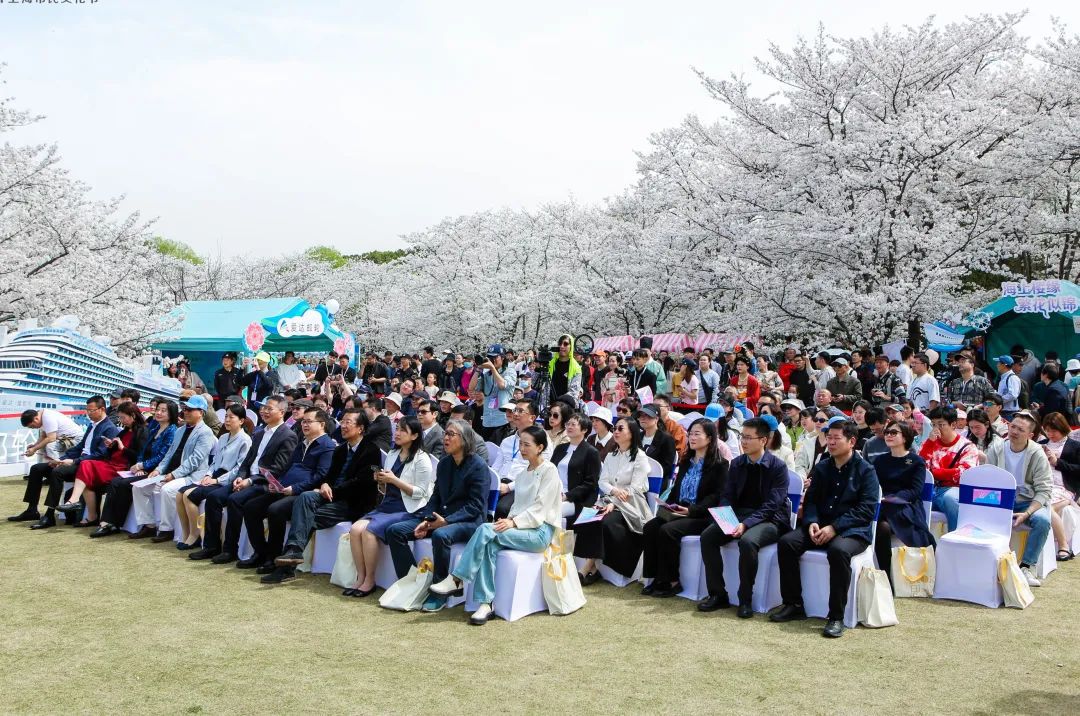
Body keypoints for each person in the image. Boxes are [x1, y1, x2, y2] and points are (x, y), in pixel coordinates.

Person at [427, 425, 559, 624]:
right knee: (489, 542)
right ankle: (485, 603)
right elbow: (518, 506)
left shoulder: (549, 471)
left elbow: (540, 508)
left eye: (527, 445)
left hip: (540, 532)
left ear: (540, 447)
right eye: (520, 444)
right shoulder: (523, 474)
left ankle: (457, 579)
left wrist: (513, 522)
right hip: (521, 528)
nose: (522, 448)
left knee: (485, 529)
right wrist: (509, 521)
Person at [770, 419, 880, 638]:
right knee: (787, 543)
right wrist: (811, 521)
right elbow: (810, 501)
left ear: (852, 441)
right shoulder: (822, 467)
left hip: (852, 531)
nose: (830, 442)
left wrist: (834, 527)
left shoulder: (866, 471)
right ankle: (793, 604)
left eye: (836, 438)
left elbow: (865, 511)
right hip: (820, 526)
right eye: (828, 437)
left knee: (838, 551)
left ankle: (836, 616)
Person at [261, 409, 383, 583]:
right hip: (332, 496)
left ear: (361, 428)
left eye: (349, 422)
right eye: (343, 421)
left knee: (303, 516)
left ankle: (286, 567)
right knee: (305, 498)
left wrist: (331, 489)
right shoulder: (340, 450)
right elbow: (329, 476)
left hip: (353, 503)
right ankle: (292, 553)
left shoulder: (371, 450)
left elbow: (361, 483)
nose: (343, 425)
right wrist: (325, 484)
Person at [385, 419, 488, 612]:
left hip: (469, 522)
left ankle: (439, 591)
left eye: (450, 434)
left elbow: (476, 506)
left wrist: (446, 521)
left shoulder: (478, 466)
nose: (445, 438)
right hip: (442, 517)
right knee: (395, 531)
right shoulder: (444, 463)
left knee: (442, 535)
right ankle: (413, 583)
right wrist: (427, 519)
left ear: (464, 439)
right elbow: (436, 496)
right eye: (445, 434)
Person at [698, 417, 791, 616]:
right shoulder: (738, 463)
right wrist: (725, 518)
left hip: (770, 520)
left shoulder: (778, 467)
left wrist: (746, 524)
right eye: (742, 437)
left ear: (764, 440)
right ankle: (717, 594)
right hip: (739, 516)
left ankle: (745, 599)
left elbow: (772, 505)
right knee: (708, 536)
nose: (743, 442)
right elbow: (727, 495)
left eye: (749, 438)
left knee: (748, 542)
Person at [186, 395, 298, 561]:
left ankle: (231, 550)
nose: (264, 411)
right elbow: (247, 462)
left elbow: (278, 468)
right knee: (213, 497)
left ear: (282, 412)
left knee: (235, 500)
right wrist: (240, 477)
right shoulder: (259, 433)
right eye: (264, 408)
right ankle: (211, 546)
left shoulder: (287, 435)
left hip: (264, 484)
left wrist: (251, 480)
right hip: (246, 480)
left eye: (269, 408)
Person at [228, 407, 336, 569]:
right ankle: (260, 553)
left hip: (301, 493)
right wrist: (275, 482)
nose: (304, 425)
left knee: (275, 510)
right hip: (284, 488)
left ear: (321, 424)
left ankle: (273, 558)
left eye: (308, 422)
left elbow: (320, 476)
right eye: (303, 422)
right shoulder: (302, 444)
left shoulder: (327, 446)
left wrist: (294, 488)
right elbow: (287, 468)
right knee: (251, 507)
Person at [340, 416, 435, 597]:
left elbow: (421, 493)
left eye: (402, 431)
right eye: (397, 429)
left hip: (408, 509)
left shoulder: (422, 459)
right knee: (355, 529)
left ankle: (370, 580)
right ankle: (361, 577)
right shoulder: (392, 454)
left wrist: (394, 480)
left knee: (369, 532)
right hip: (387, 505)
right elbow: (386, 488)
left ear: (414, 436)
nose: (397, 433)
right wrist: (382, 481)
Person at [642, 419, 729, 597]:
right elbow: (676, 488)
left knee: (668, 530)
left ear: (710, 438)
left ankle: (672, 581)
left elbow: (716, 496)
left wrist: (692, 511)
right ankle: (653, 578)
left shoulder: (720, 465)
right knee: (650, 527)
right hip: (680, 510)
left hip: (701, 515)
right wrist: (669, 505)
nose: (692, 437)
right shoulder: (686, 461)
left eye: (697, 433)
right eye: (690, 433)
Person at [18, 396, 119, 530]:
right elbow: (80, 447)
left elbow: (100, 455)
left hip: (87, 465)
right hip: (79, 460)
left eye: (91, 410)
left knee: (57, 472)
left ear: (101, 409)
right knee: (37, 469)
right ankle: (32, 509)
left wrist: (73, 461)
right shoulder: (92, 426)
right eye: (87, 410)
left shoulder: (109, 428)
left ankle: (49, 514)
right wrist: (61, 459)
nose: (88, 413)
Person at [574, 417, 652, 582]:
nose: (615, 431)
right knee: (589, 517)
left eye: (620, 429)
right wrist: (614, 494)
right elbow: (602, 482)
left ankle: (588, 567)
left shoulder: (640, 457)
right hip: (610, 499)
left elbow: (636, 488)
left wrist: (614, 503)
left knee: (605, 521)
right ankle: (593, 567)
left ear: (631, 433)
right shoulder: (611, 455)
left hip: (632, 504)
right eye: (615, 428)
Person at [129, 395, 216, 542]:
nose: (186, 412)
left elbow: (194, 461)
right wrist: (158, 469)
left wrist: (174, 475)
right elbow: (169, 454)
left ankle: (166, 529)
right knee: (139, 488)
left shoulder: (205, 432)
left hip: (192, 476)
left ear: (201, 412)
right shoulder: (180, 430)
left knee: (167, 489)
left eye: (190, 409)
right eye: (185, 409)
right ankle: (149, 525)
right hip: (171, 472)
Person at [87, 401, 180, 538]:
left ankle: (115, 523)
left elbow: (162, 456)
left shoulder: (172, 431)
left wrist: (142, 466)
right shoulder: (154, 429)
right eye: (158, 409)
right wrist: (138, 465)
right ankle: (106, 522)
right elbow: (143, 451)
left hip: (157, 470)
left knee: (124, 484)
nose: (158, 413)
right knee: (115, 482)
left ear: (171, 413)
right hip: (145, 468)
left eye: (163, 410)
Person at [984, 411, 1053, 587]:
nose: (1014, 431)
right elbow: (987, 478)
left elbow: (1044, 490)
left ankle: (1027, 566)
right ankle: (988, 562)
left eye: (1020, 430)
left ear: (1030, 435)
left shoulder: (1037, 453)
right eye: (1012, 426)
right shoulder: (996, 448)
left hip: (1028, 500)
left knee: (1043, 521)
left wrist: (1027, 513)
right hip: (1000, 498)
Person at [54, 403, 148, 527]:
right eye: (119, 417)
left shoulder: (142, 432)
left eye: (123, 417)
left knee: (86, 466)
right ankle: (81, 505)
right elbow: (113, 452)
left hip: (123, 467)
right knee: (86, 470)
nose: (121, 421)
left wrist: (122, 448)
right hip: (111, 464)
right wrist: (111, 446)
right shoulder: (124, 432)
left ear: (133, 416)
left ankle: (80, 505)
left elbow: (138, 456)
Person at [172, 404, 252, 548]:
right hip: (214, 475)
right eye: (226, 417)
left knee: (188, 496)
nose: (227, 420)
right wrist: (208, 475)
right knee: (179, 494)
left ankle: (195, 535)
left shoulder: (245, 440)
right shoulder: (222, 437)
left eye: (231, 417)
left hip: (227, 480)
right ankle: (186, 534)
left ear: (241, 420)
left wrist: (216, 479)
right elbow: (214, 461)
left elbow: (239, 468)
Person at [871, 420, 935, 588]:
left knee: (882, 524)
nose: (889, 435)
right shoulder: (880, 461)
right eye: (887, 432)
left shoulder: (916, 462)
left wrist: (891, 498)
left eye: (894, 432)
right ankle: (881, 575)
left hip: (906, 507)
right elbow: (872, 485)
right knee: (878, 524)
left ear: (905, 436)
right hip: (882, 506)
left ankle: (887, 578)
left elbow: (914, 491)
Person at [918, 406, 978, 532]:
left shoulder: (967, 447)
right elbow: (920, 467)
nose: (936, 429)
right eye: (933, 424)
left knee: (950, 499)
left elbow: (963, 473)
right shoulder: (928, 443)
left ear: (953, 425)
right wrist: (929, 443)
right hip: (931, 488)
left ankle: (956, 537)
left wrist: (934, 473)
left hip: (954, 489)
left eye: (941, 424)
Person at [495, 399, 554, 519]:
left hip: (521, 486)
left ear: (532, 418)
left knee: (502, 509)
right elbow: (495, 467)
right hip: (499, 485)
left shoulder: (542, 440)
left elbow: (539, 472)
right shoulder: (507, 441)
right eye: (515, 410)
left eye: (521, 411)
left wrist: (508, 487)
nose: (515, 414)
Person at [1039, 412, 1078, 562]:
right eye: (1047, 430)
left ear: (1062, 428)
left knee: (1046, 506)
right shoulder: (1041, 444)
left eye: (1053, 430)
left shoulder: (1075, 446)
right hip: (1043, 485)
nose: (1050, 434)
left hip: (1065, 487)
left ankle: (1063, 546)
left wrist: (1057, 462)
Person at [551, 413, 600, 525]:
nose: (569, 427)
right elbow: (550, 471)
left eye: (573, 424)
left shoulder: (591, 452)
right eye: (568, 424)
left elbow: (590, 483)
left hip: (576, 499)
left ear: (584, 429)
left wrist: (566, 496)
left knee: (553, 512)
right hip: (555, 493)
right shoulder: (560, 448)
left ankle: (555, 541)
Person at [18, 407, 82, 464]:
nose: (34, 428)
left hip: (76, 439)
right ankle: (42, 469)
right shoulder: (41, 417)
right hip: (65, 439)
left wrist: (34, 449)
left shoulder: (47, 417)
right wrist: (35, 446)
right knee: (41, 447)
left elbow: (51, 438)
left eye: (32, 426)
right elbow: (43, 436)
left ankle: (58, 468)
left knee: (51, 446)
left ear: (36, 419)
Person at [637, 405, 677, 493]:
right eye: (641, 415)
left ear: (656, 419)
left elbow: (667, 466)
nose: (643, 418)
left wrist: (648, 473)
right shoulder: (638, 437)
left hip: (655, 481)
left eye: (648, 416)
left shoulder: (666, 439)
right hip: (635, 478)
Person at [793, 409, 831, 482]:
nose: (818, 422)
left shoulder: (834, 444)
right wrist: (803, 479)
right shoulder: (808, 441)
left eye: (822, 420)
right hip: (806, 481)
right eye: (816, 419)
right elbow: (799, 464)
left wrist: (813, 481)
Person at [653, 394, 688, 460]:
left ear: (668, 408)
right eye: (653, 406)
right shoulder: (650, 425)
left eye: (658, 406)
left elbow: (679, 452)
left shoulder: (676, 428)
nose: (655, 408)